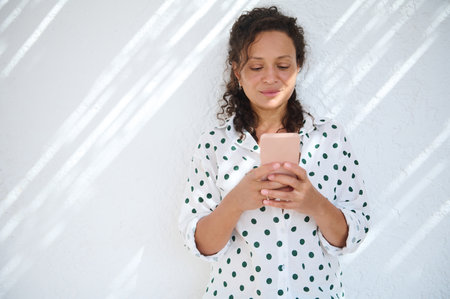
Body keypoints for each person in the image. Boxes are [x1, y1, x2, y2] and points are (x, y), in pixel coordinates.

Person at [179, 6, 370, 299]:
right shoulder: (214, 144)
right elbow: (201, 245)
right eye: (256, 67)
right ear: (237, 71)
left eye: (282, 65)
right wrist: (235, 202)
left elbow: (353, 235)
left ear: (298, 66)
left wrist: (314, 203)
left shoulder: (329, 137)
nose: (270, 78)